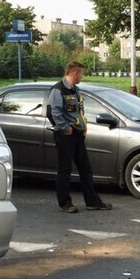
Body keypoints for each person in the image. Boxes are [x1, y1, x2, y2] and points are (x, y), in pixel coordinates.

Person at [47, 61, 112, 213]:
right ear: (74, 73)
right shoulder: (58, 90)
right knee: (65, 169)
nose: (82, 76)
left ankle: (92, 202)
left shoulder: (75, 90)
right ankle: (65, 202)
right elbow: (53, 112)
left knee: (85, 168)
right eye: (81, 73)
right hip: (65, 135)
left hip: (77, 134)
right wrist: (65, 128)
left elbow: (77, 112)